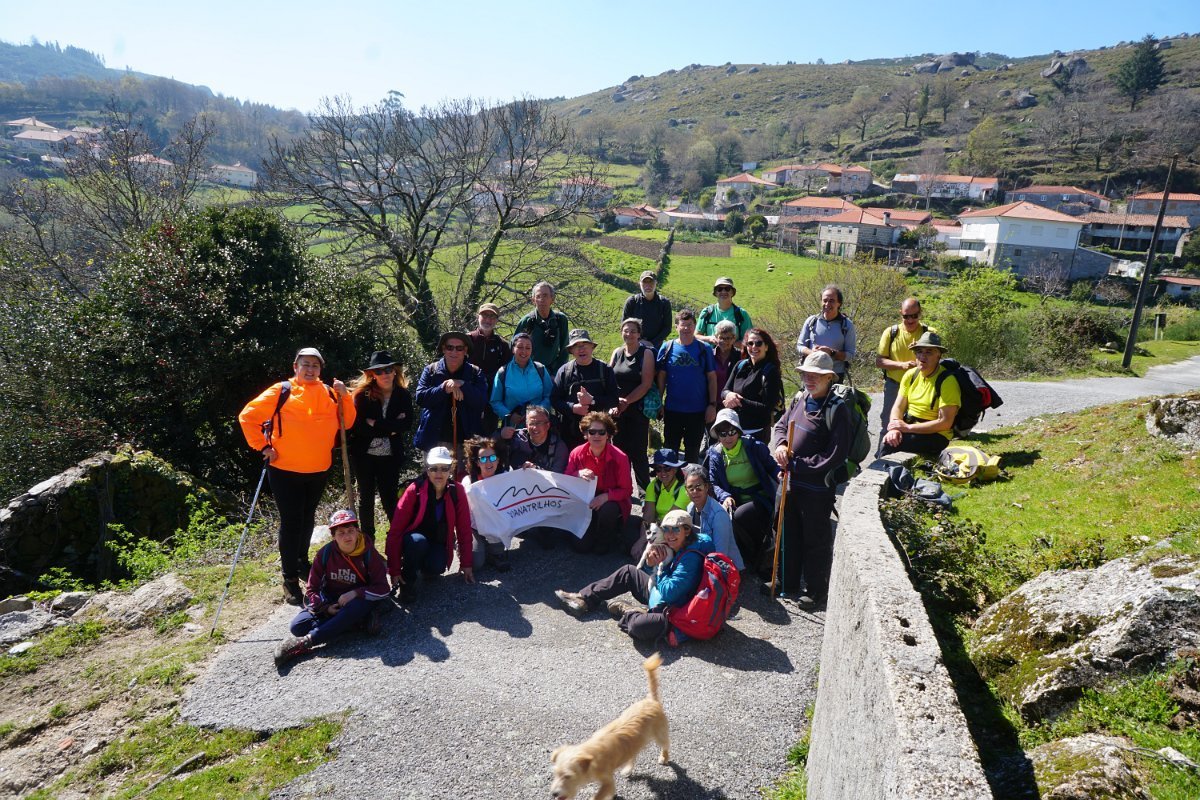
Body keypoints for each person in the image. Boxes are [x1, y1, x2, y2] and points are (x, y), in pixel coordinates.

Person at [239, 347, 355, 606]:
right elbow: (247, 416)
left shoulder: (329, 393)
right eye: (306, 364)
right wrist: (264, 446)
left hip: (319, 468)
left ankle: (302, 562)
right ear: (296, 367)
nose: (311, 369)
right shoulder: (281, 391)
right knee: (292, 522)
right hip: (284, 470)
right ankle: (290, 579)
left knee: (308, 517)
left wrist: (345, 396)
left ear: (320, 369)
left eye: (315, 365)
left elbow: (346, 422)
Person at [553, 509, 714, 647]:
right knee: (628, 571)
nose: (669, 534)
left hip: (674, 613)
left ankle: (633, 612)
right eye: (666, 529)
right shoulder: (678, 544)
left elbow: (670, 593)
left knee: (639, 627)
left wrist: (660, 567)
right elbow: (655, 572)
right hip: (663, 597)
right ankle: (584, 599)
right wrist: (652, 563)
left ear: (687, 530)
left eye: (675, 530)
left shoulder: (691, 559)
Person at [771, 352, 852, 608]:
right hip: (791, 481)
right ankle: (787, 581)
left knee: (815, 539)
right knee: (788, 532)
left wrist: (798, 465)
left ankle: (816, 591)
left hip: (817, 488)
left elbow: (835, 455)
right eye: (806, 374)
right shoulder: (800, 398)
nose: (809, 379)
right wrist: (782, 446)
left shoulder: (838, 410)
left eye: (815, 375)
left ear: (829, 377)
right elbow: (781, 426)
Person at [273, 508, 389, 668]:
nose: (347, 536)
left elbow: (383, 588)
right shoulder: (325, 554)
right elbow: (312, 589)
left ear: (357, 530)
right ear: (333, 536)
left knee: (353, 608)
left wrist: (355, 593)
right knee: (297, 626)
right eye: (341, 532)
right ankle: (360, 622)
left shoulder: (369, 553)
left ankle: (307, 642)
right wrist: (326, 608)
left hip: (359, 600)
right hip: (332, 600)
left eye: (350, 530)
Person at [385, 446, 475, 604]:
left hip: (437, 542)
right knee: (418, 542)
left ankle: (422, 567)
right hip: (413, 541)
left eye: (444, 468)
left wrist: (466, 563)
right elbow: (395, 531)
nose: (439, 474)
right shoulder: (414, 490)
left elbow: (464, 529)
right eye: (434, 469)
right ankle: (408, 581)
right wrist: (394, 568)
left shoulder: (457, 491)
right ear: (427, 470)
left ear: (451, 469)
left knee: (437, 566)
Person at [347, 350, 413, 540]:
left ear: (395, 372)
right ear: (372, 375)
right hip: (363, 455)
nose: (384, 374)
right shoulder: (362, 395)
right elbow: (358, 427)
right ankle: (368, 542)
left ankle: (399, 540)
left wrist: (375, 423)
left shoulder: (402, 395)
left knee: (390, 498)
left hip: (390, 456)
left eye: (388, 370)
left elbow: (406, 424)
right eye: (379, 371)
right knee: (365, 499)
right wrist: (390, 428)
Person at [705, 408, 779, 578]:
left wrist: (780, 475)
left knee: (741, 516)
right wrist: (725, 496)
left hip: (760, 497)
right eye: (722, 433)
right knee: (727, 518)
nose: (727, 437)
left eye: (731, 432)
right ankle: (754, 558)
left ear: (738, 431)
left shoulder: (754, 447)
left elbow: (772, 466)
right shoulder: (715, 454)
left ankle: (762, 556)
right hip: (734, 499)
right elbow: (713, 483)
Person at [880, 331, 959, 458]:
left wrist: (907, 428)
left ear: (938, 356)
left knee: (892, 445)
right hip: (910, 427)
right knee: (889, 440)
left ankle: (879, 475)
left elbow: (945, 423)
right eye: (919, 352)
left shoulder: (947, 381)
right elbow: (898, 407)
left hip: (936, 435)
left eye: (929, 352)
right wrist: (895, 427)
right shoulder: (911, 375)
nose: (923, 356)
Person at [564, 411, 633, 554]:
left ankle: (605, 539)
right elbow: (566, 479)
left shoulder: (620, 457)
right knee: (581, 547)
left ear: (608, 435)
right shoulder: (576, 453)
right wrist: (577, 474)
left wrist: (606, 497)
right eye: (592, 431)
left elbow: (627, 490)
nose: (596, 436)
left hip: (610, 501)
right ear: (585, 434)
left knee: (608, 510)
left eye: (601, 432)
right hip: (585, 501)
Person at [413, 330, 488, 457]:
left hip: (467, 443)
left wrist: (462, 384)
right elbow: (420, 398)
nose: (454, 352)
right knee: (435, 477)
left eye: (459, 348)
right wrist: (444, 388)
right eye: (449, 347)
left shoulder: (475, 373)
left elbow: (481, 402)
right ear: (443, 349)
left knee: (466, 478)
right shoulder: (431, 370)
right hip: (434, 441)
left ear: (465, 351)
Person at [657, 310, 718, 464]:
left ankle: (691, 487)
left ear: (694, 326)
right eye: (682, 325)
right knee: (670, 453)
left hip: (697, 411)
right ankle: (671, 486)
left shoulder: (705, 349)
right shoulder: (667, 347)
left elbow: (712, 378)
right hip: (673, 410)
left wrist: (712, 405)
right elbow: (661, 377)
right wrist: (659, 402)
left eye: (689, 325)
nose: (686, 328)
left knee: (692, 454)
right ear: (676, 327)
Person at [507, 405, 570, 550]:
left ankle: (545, 527)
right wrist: (500, 434)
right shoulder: (517, 439)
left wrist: (536, 470)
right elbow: (491, 447)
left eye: (539, 423)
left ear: (548, 425)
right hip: (520, 491)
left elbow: (558, 478)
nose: (534, 427)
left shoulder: (559, 446)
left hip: (547, 493)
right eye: (531, 423)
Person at [876, 298, 934, 454]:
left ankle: (909, 455)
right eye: (906, 316)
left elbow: (937, 359)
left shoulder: (929, 333)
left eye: (914, 316)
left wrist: (920, 352)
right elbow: (879, 361)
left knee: (917, 422)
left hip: (922, 386)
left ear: (920, 314)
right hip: (895, 385)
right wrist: (901, 365)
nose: (910, 320)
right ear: (900, 314)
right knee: (889, 422)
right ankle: (881, 457)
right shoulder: (891, 332)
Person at [608, 317, 656, 488]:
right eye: (626, 330)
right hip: (618, 412)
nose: (629, 334)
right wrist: (615, 403)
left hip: (637, 410)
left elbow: (646, 384)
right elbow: (609, 380)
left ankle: (645, 495)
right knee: (620, 454)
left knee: (639, 454)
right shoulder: (617, 352)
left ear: (639, 334)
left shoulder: (646, 353)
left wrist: (626, 402)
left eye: (633, 331)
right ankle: (623, 490)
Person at [552, 329, 619, 450]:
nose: (581, 349)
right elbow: (555, 400)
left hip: (599, 434)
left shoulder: (605, 369)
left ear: (592, 347)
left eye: (584, 345)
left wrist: (592, 400)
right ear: (571, 351)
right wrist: (573, 408)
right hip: (570, 434)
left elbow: (614, 400)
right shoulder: (564, 371)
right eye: (576, 346)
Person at [722, 327, 784, 441]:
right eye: (750, 343)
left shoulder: (771, 372)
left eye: (758, 343)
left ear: (766, 347)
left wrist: (738, 401)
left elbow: (767, 408)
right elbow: (725, 390)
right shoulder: (740, 365)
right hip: (734, 430)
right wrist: (729, 395)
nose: (754, 347)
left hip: (756, 434)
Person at [630, 448, 690, 562]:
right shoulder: (654, 486)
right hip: (657, 529)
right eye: (658, 469)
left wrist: (645, 543)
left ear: (675, 469)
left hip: (674, 528)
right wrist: (645, 540)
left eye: (667, 468)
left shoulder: (683, 489)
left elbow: (669, 520)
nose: (663, 473)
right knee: (629, 524)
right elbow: (648, 517)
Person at [462, 435, 510, 573]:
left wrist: (528, 469)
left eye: (492, 458)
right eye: (483, 458)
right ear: (477, 463)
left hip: (496, 525)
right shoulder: (468, 482)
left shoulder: (507, 476)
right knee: (475, 563)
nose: (488, 462)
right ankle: (461, 544)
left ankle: (492, 552)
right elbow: (467, 515)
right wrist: (484, 530)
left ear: (498, 459)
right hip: (474, 526)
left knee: (497, 552)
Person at [682, 464, 743, 572]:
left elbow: (720, 554)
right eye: (690, 488)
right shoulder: (690, 508)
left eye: (699, 487)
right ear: (686, 491)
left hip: (723, 569)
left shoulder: (718, 514)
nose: (695, 492)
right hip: (701, 558)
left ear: (706, 487)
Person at [492, 332, 552, 439]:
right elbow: (495, 401)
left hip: (539, 427)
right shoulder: (503, 372)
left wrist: (537, 413)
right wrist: (510, 415)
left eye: (528, 348)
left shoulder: (540, 369)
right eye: (520, 347)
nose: (524, 351)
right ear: (513, 349)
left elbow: (549, 395)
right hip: (513, 429)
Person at [797, 284, 857, 382]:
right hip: (811, 372)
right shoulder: (811, 321)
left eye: (832, 301)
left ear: (839, 303)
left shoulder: (847, 325)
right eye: (825, 300)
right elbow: (800, 345)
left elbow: (850, 355)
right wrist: (812, 352)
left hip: (835, 375)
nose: (827, 304)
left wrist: (831, 353)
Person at [467, 302, 512, 432]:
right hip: (469, 395)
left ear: (497, 320)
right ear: (478, 316)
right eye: (485, 315)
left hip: (491, 398)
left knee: (488, 435)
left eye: (492, 317)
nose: (488, 319)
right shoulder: (467, 340)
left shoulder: (502, 345)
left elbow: (505, 372)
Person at [514, 281, 570, 374]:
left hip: (553, 373)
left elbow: (565, 350)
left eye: (545, 296)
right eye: (538, 296)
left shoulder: (560, 319)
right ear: (533, 300)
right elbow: (514, 349)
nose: (541, 299)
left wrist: (558, 373)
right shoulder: (526, 322)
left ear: (552, 299)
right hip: (530, 372)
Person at [621, 271, 673, 349]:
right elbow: (624, 326)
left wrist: (652, 343)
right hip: (634, 346)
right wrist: (639, 341)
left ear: (656, 283)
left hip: (656, 348)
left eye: (651, 282)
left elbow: (667, 328)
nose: (648, 285)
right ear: (640, 284)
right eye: (645, 282)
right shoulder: (632, 302)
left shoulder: (664, 303)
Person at [696, 276, 753, 345]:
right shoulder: (707, 312)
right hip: (711, 355)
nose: (723, 291)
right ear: (716, 293)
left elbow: (750, 340)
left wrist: (730, 344)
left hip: (735, 355)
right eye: (719, 289)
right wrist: (709, 338)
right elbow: (696, 336)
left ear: (732, 292)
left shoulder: (742, 313)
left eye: (727, 289)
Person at [710, 320, 744, 395]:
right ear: (716, 337)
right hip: (711, 402)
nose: (724, 341)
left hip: (732, 402)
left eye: (728, 338)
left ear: (734, 338)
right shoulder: (709, 355)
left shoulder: (741, 356)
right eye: (721, 338)